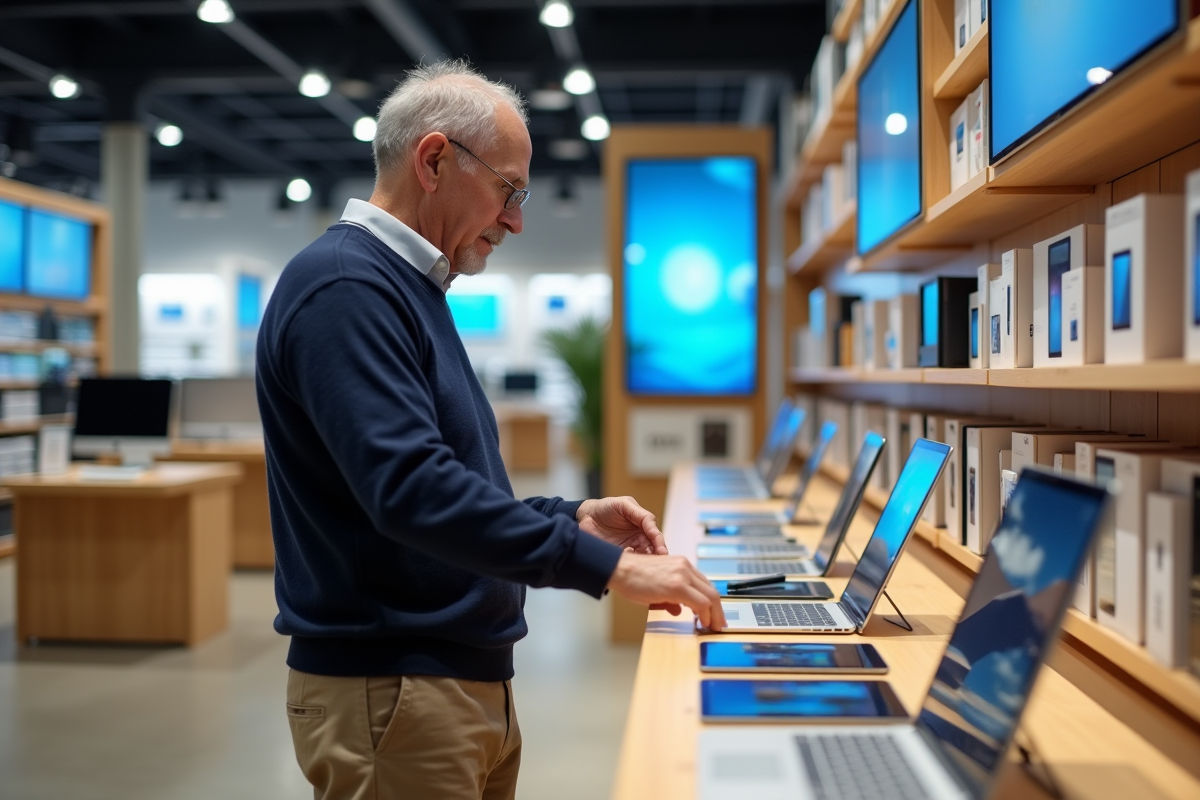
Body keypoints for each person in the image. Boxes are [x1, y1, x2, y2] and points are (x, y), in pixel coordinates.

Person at [256, 59, 725, 800]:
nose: (515, 219)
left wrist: (570, 517)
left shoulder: (405, 287)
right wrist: (609, 569)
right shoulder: (347, 286)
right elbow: (410, 493)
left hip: (441, 686)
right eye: (509, 190)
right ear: (435, 159)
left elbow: (448, 482)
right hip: (396, 689)